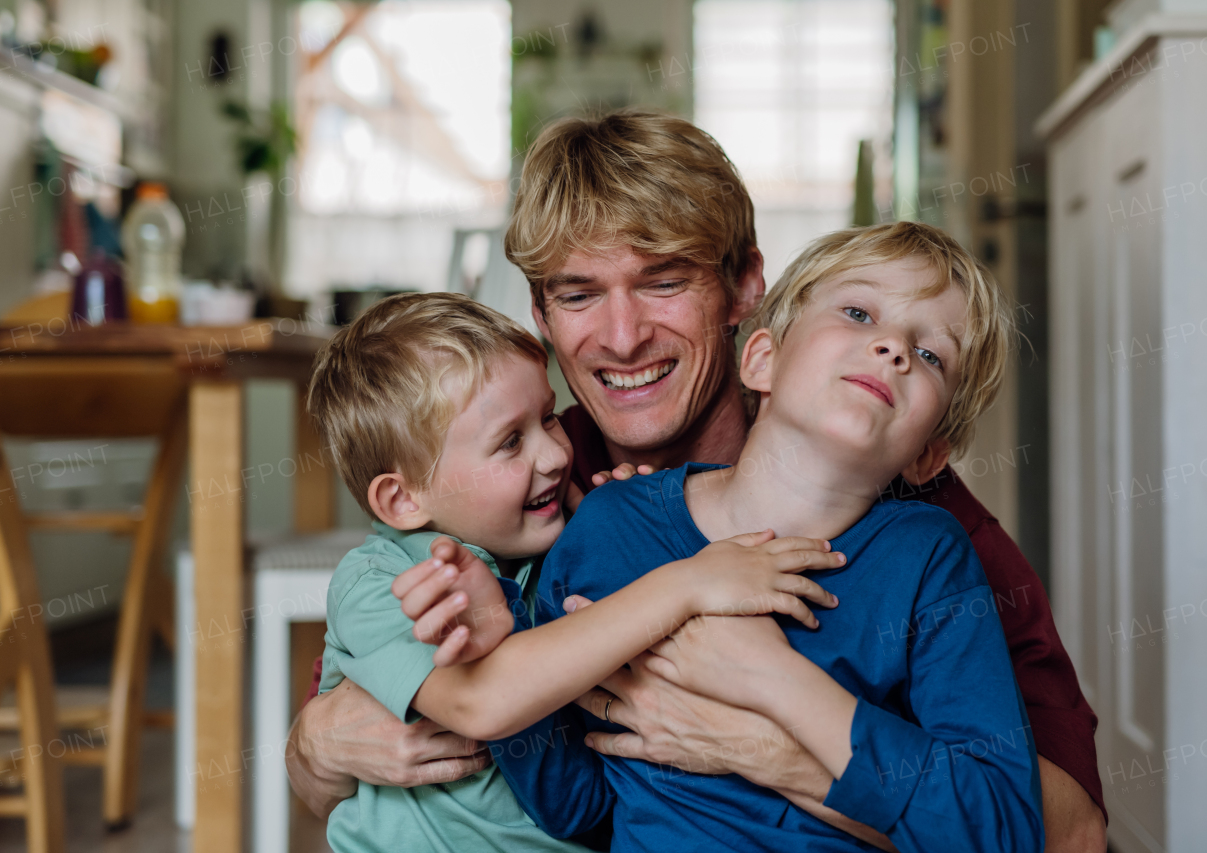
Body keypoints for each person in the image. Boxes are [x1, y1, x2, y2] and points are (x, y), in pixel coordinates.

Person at [287, 109, 1107, 852]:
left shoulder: (925, 521)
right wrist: (317, 744)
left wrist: (772, 747)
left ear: (746, 289)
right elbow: (528, 778)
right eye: (578, 294)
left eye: (665, 280)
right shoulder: (526, 475)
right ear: (542, 318)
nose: (622, 335)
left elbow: (1063, 836)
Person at [481, 220, 1043, 852]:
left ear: (929, 456)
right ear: (762, 359)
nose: (894, 349)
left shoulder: (929, 559)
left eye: (932, 354)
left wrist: (773, 677)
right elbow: (577, 806)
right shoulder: (613, 527)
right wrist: (494, 642)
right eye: (858, 313)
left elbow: (1005, 834)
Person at [305, 292, 842, 852]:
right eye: (511, 441)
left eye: (547, 419)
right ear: (402, 500)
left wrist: (626, 535)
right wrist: (686, 582)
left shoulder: (553, 548)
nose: (555, 455)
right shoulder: (382, 581)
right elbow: (481, 702)